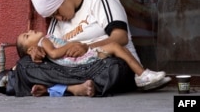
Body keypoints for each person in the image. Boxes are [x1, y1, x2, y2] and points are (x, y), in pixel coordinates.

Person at [27, 0, 171, 96]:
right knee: (24, 66)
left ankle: (63, 88)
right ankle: (76, 88)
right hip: (77, 70)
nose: (58, 18)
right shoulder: (57, 22)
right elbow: (53, 54)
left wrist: (86, 48)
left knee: (112, 68)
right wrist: (39, 52)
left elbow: (120, 37)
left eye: (57, 12)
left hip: (107, 64)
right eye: (53, 16)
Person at [16, 30, 165, 88]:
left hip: (78, 57)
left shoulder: (44, 40)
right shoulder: (44, 40)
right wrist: (72, 45)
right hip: (77, 60)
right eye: (27, 36)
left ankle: (142, 76)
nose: (30, 31)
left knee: (117, 47)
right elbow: (54, 54)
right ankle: (142, 75)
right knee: (115, 46)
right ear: (30, 49)